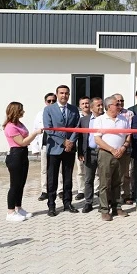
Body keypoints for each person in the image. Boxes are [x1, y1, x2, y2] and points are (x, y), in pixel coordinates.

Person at [42, 85, 80, 217]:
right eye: (62, 93)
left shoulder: (74, 109)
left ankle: (67, 203)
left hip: (69, 148)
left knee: (68, 177)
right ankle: (51, 205)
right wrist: (63, 142)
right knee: (52, 178)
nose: (64, 95)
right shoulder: (48, 109)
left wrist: (71, 142)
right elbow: (49, 129)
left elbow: (77, 127)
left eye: (66, 93)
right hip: (54, 148)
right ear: (57, 94)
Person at [93, 95, 132, 221]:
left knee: (118, 182)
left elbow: (128, 136)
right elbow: (97, 139)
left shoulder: (123, 119)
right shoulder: (100, 120)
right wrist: (111, 149)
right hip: (106, 154)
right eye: (117, 104)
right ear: (109, 106)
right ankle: (104, 209)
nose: (120, 106)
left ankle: (117, 207)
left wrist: (123, 147)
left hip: (121, 154)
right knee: (105, 183)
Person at [3, 102, 42, 222]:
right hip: (15, 155)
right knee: (14, 185)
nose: (23, 111)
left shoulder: (19, 124)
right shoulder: (10, 126)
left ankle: (18, 208)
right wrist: (35, 133)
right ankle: (10, 212)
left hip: (23, 154)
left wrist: (29, 138)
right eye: (21, 110)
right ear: (16, 111)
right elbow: (22, 142)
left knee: (21, 183)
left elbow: (25, 139)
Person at [77, 97, 103, 213]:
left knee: (104, 179)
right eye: (98, 105)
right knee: (88, 179)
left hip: (103, 152)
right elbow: (81, 137)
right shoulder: (84, 120)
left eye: (101, 105)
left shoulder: (105, 119)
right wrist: (80, 152)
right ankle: (88, 202)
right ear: (92, 108)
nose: (101, 107)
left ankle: (104, 202)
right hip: (89, 153)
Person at [31, 93, 57, 201]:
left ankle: (59, 190)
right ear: (45, 102)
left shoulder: (58, 113)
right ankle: (44, 190)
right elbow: (35, 130)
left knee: (57, 169)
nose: (51, 103)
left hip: (56, 145)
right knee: (44, 169)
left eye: (53, 101)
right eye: (49, 101)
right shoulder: (39, 114)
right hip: (45, 144)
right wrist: (35, 148)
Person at [114, 93, 135, 205]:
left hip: (126, 148)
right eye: (117, 101)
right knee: (113, 175)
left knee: (125, 175)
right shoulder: (107, 114)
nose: (120, 103)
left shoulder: (129, 113)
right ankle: (114, 197)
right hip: (111, 150)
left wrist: (124, 146)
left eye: (122, 101)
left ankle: (126, 195)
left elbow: (130, 131)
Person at [73, 96, 90, 201]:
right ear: (80, 106)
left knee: (95, 171)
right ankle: (81, 190)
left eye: (87, 103)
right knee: (80, 171)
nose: (85, 105)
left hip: (92, 148)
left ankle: (95, 189)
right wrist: (79, 151)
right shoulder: (77, 118)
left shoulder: (95, 117)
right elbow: (77, 136)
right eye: (83, 103)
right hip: (81, 147)